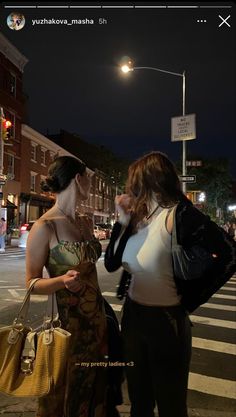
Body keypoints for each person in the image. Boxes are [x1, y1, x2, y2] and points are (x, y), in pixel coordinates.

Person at [25, 156, 119, 417]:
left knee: (94, 392)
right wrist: (61, 281)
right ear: (79, 179)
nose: (89, 183)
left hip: (96, 323)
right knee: (66, 394)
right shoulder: (45, 226)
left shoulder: (84, 222)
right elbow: (32, 284)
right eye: (88, 177)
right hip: (66, 329)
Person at [105, 151, 193, 417]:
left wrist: (191, 297)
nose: (130, 188)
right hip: (133, 317)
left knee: (171, 405)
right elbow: (111, 263)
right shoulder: (135, 218)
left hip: (166, 321)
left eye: (135, 181)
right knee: (139, 402)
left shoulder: (177, 215)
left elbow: (225, 253)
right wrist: (122, 220)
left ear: (152, 180)